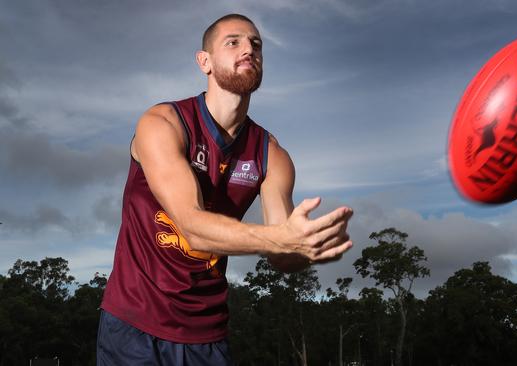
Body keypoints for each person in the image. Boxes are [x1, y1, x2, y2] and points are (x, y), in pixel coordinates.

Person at [97, 13, 354, 365]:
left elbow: (281, 255)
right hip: (134, 325)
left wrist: (308, 246)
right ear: (204, 61)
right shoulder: (162, 123)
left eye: (256, 44)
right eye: (233, 42)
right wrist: (283, 238)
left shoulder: (271, 155)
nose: (249, 49)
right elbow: (191, 226)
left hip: (207, 334)